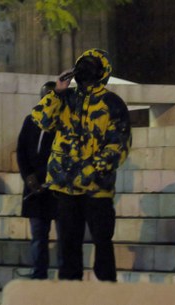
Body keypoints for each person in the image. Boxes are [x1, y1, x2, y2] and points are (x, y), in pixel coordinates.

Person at [31, 49, 132, 282]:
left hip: (97, 188)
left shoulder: (112, 103)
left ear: (102, 73)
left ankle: (106, 292)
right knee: (68, 244)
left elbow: (118, 144)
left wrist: (91, 170)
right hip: (65, 187)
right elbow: (41, 120)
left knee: (102, 242)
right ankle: (70, 292)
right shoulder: (65, 98)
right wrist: (57, 92)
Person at [17, 81, 59, 279]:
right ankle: (39, 272)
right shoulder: (31, 120)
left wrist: (51, 179)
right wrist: (28, 177)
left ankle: (66, 274)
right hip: (35, 189)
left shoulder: (64, 123)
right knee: (38, 236)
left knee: (65, 236)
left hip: (57, 188)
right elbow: (22, 151)